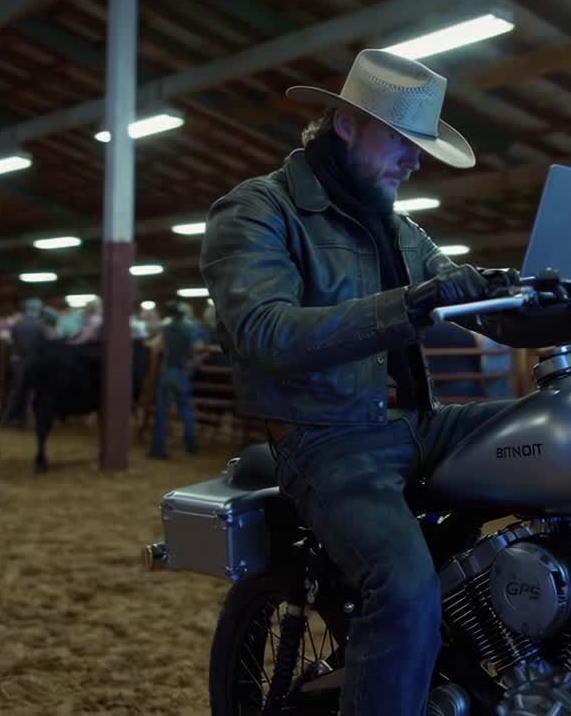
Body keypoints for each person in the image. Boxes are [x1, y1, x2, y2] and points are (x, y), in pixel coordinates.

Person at [200, 49, 537, 715]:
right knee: (404, 586)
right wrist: (412, 304)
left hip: (420, 424)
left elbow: (468, 299)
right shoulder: (258, 210)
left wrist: (554, 298)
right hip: (327, 438)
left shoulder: (400, 228)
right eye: (403, 142)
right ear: (347, 122)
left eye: (421, 147)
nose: (416, 161)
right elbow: (265, 331)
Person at [147, 300, 205, 459]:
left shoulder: (165, 328)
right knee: (186, 410)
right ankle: (191, 445)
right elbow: (199, 347)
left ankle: (158, 449)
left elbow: (156, 346)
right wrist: (193, 362)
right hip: (182, 370)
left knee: (162, 411)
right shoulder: (190, 329)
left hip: (168, 370)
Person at [2, 299, 48, 427]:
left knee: (18, 391)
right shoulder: (40, 325)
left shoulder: (17, 325)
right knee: (31, 393)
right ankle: (24, 420)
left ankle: (8, 418)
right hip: (34, 363)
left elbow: (13, 341)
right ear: (38, 310)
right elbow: (45, 344)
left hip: (19, 361)